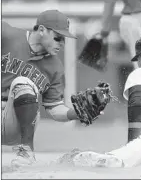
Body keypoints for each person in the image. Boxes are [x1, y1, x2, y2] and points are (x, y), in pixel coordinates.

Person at [59, 33, 141, 167]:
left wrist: (131, 144)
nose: (138, 62)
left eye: (138, 58)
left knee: (121, 159)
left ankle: (90, 159)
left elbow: (137, 104)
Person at [1, 9, 83, 167]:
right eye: (58, 38)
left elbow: (55, 108)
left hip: (13, 124)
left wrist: (77, 112)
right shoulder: (6, 34)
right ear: (41, 30)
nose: (62, 44)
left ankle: (26, 152)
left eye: (64, 39)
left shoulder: (55, 67)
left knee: (23, 83)